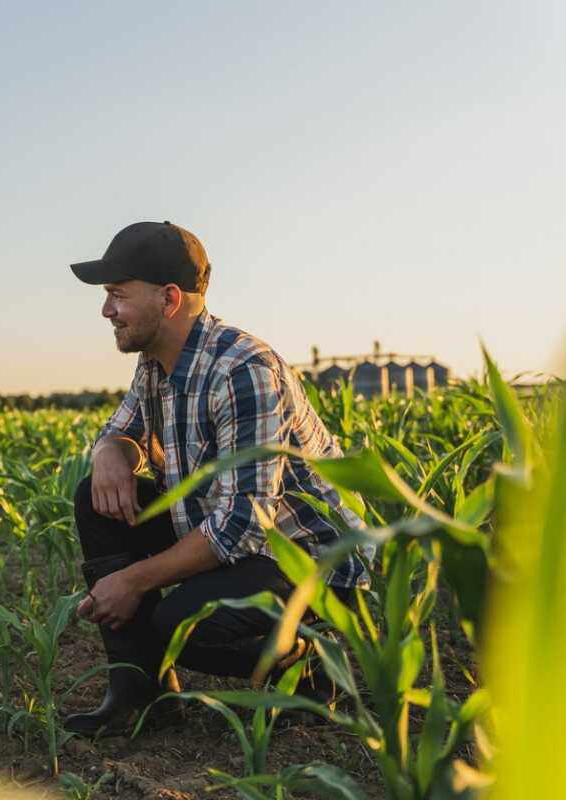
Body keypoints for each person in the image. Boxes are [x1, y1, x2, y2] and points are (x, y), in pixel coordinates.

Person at [64, 221, 366, 736]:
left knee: (183, 623)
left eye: (117, 295)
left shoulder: (241, 368)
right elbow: (122, 429)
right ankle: (141, 693)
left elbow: (243, 526)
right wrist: (109, 449)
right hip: (230, 536)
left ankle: (314, 667)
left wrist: (132, 582)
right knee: (95, 499)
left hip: (307, 558)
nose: (106, 310)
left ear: (170, 299)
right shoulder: (157, 362)